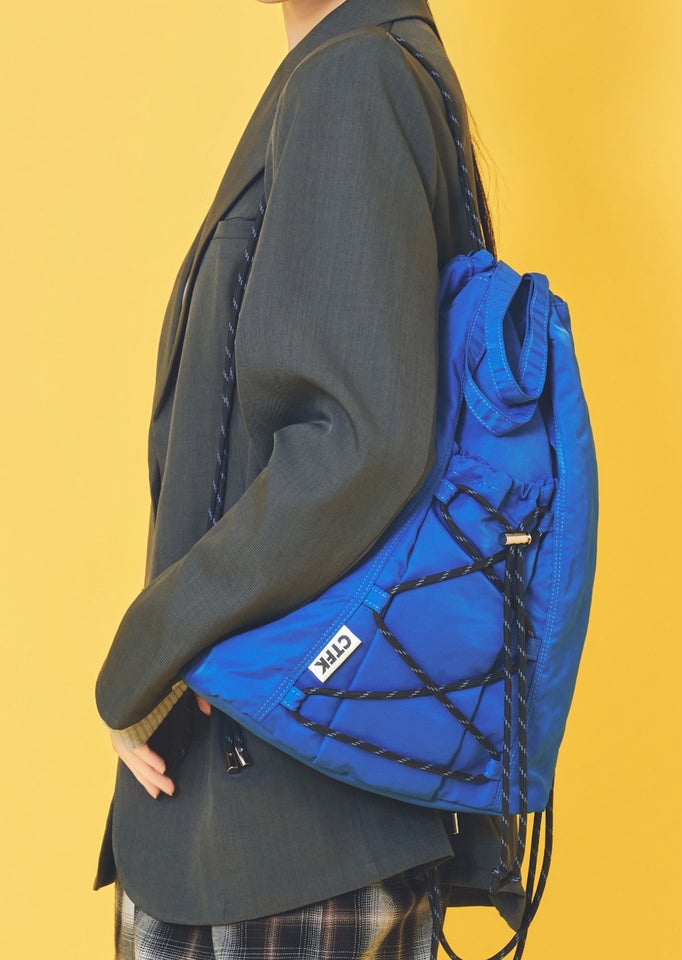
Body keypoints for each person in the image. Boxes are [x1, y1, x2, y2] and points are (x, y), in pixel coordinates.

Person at [94, 0, 523, 957]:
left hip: (279, 815)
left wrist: (151, 655)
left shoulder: (352, 79)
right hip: (276, 802)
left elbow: (357, 440)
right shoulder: (366, 71)